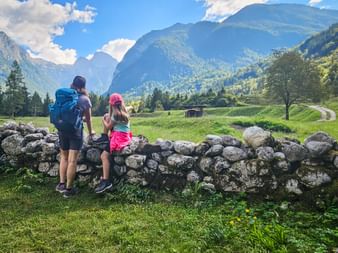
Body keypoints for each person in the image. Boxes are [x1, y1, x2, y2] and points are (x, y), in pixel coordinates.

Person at [55, 76, 95, 198]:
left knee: (64, 157)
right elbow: (88, 119)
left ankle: (61, 184)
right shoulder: (85, 99)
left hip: (62, 130)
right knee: (72, 160)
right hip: (75, 132)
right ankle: (69, 189)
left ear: (72, 84)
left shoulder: (66, 96)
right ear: (83, 87)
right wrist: (91, 132)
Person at [94, 93, 132, 193]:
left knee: (104, 156)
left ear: (111, 104)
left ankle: (106, 181)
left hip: (118, 137)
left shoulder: (115, 115)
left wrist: (103, 120)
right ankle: (104, 137)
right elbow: (128, 107)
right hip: (124, 136)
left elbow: (108, 127)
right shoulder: (124, 111)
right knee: (107, 116)